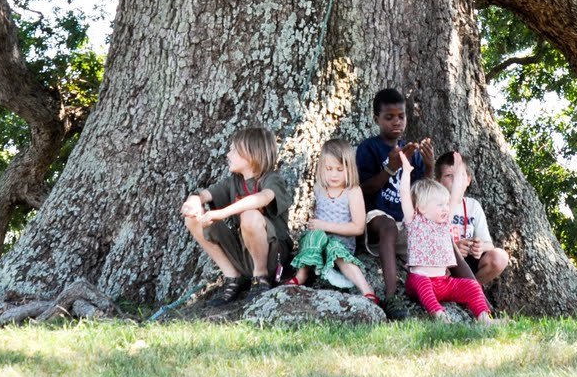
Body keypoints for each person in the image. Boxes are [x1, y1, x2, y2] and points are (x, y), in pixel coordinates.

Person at [180, 127, 289, 302]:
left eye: (233, 150)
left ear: (251, 154)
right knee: (193, 219)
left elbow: (262, 198)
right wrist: (194, 201)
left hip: (273, 258)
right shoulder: (233, 182)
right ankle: (233, 276)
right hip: (243, 254)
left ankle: (261, 277)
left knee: (250, 215)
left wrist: (222, 213)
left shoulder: (271, 179)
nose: (228, 155)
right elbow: (204, 195)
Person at [355, 87, 434, 306]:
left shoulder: (413, 152)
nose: (396, 122)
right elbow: (363, 189)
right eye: (389, 117)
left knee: (439, 232)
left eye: (401, 116)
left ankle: (472, 291)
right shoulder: (368, 148)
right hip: (376, 217)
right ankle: (391, 297)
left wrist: (429, 168)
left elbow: (421, 193)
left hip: (405, 219)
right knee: (389, 225)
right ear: (376, 118)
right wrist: (390, 168)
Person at [397, 148, 493, 323]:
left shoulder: (444, 223)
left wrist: (457, 172)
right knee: (422, 282)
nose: (446, 208)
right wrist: (406, 171)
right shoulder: (414, 222)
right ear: (422, 207)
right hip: (419, 281)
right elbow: (404, 194)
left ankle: (483, 316)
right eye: (440, 205)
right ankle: (439, 314)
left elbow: (455, 196)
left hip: (443, 282)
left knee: (471, 285)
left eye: (446, 204)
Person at [284, 139, 379, 301]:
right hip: (319, 245)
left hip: (342, 245)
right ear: (321, 168)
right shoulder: (319, 189)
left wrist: (325, 225)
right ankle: (301, 276)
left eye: (339, 169)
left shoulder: (353, 191)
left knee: (336, 249)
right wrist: (316, 225)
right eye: (329, 169)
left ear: (349, 169)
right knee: (313, 237)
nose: (333, 174)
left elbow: (358, 228)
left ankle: (366, 289)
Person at [435, 151, 513, 287]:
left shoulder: (473, 206)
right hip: (442, 262)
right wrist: (454, 247)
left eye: (460, 175)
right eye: (449, 175)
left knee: (500, 257)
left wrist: (479, 247)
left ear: (468, 180)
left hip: (468, 262)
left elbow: (489, 244)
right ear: (438, 181)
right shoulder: (432, 204)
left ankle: (470, 291)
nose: (456, 180)